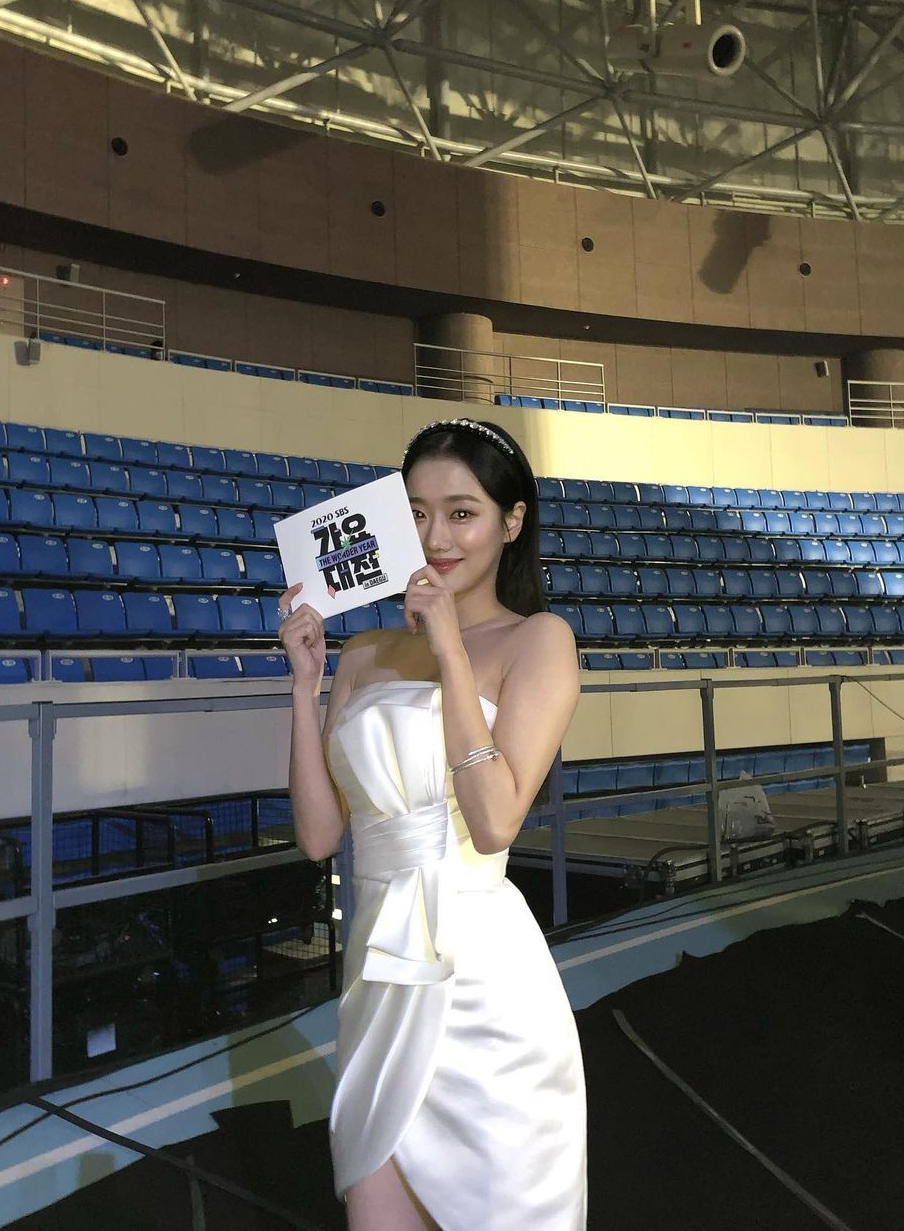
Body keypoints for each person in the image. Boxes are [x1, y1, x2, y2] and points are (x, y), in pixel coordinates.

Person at [277, 417, 587, 1231]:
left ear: (511, 523)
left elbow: (494, 823)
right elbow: (318, 837)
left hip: (482, 984)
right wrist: (304, 688)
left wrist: (451, 652)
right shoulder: (363, 653)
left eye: (461, 513)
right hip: (377, 977)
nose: (435, 537)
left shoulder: (541, 641)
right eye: (416, 513)